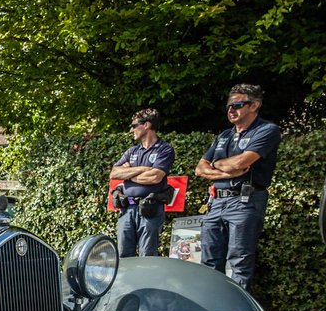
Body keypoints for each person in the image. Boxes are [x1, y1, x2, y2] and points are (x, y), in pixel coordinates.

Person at [194, 83, 281, 290]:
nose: (231, 110)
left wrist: (216, 165)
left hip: (244, 201)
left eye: (238, 105)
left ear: (254, 105)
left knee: (239, 262)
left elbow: (241, 163)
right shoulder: (224, 135)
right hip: (217, 201)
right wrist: (223, 168)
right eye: (229, 106)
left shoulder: (267, 130)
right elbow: (199, 168)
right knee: (209, 260)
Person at [109, 109, 175, 257]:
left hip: (149, 208)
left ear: (146, 125)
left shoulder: (164, 149)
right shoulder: (131, 151)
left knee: (147, 256)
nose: (131, 130)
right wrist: (142, 169)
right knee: (123, 256)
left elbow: (154, 177)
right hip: (127, 209)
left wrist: (129, 174)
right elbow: (114, 173)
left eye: (134, 125)